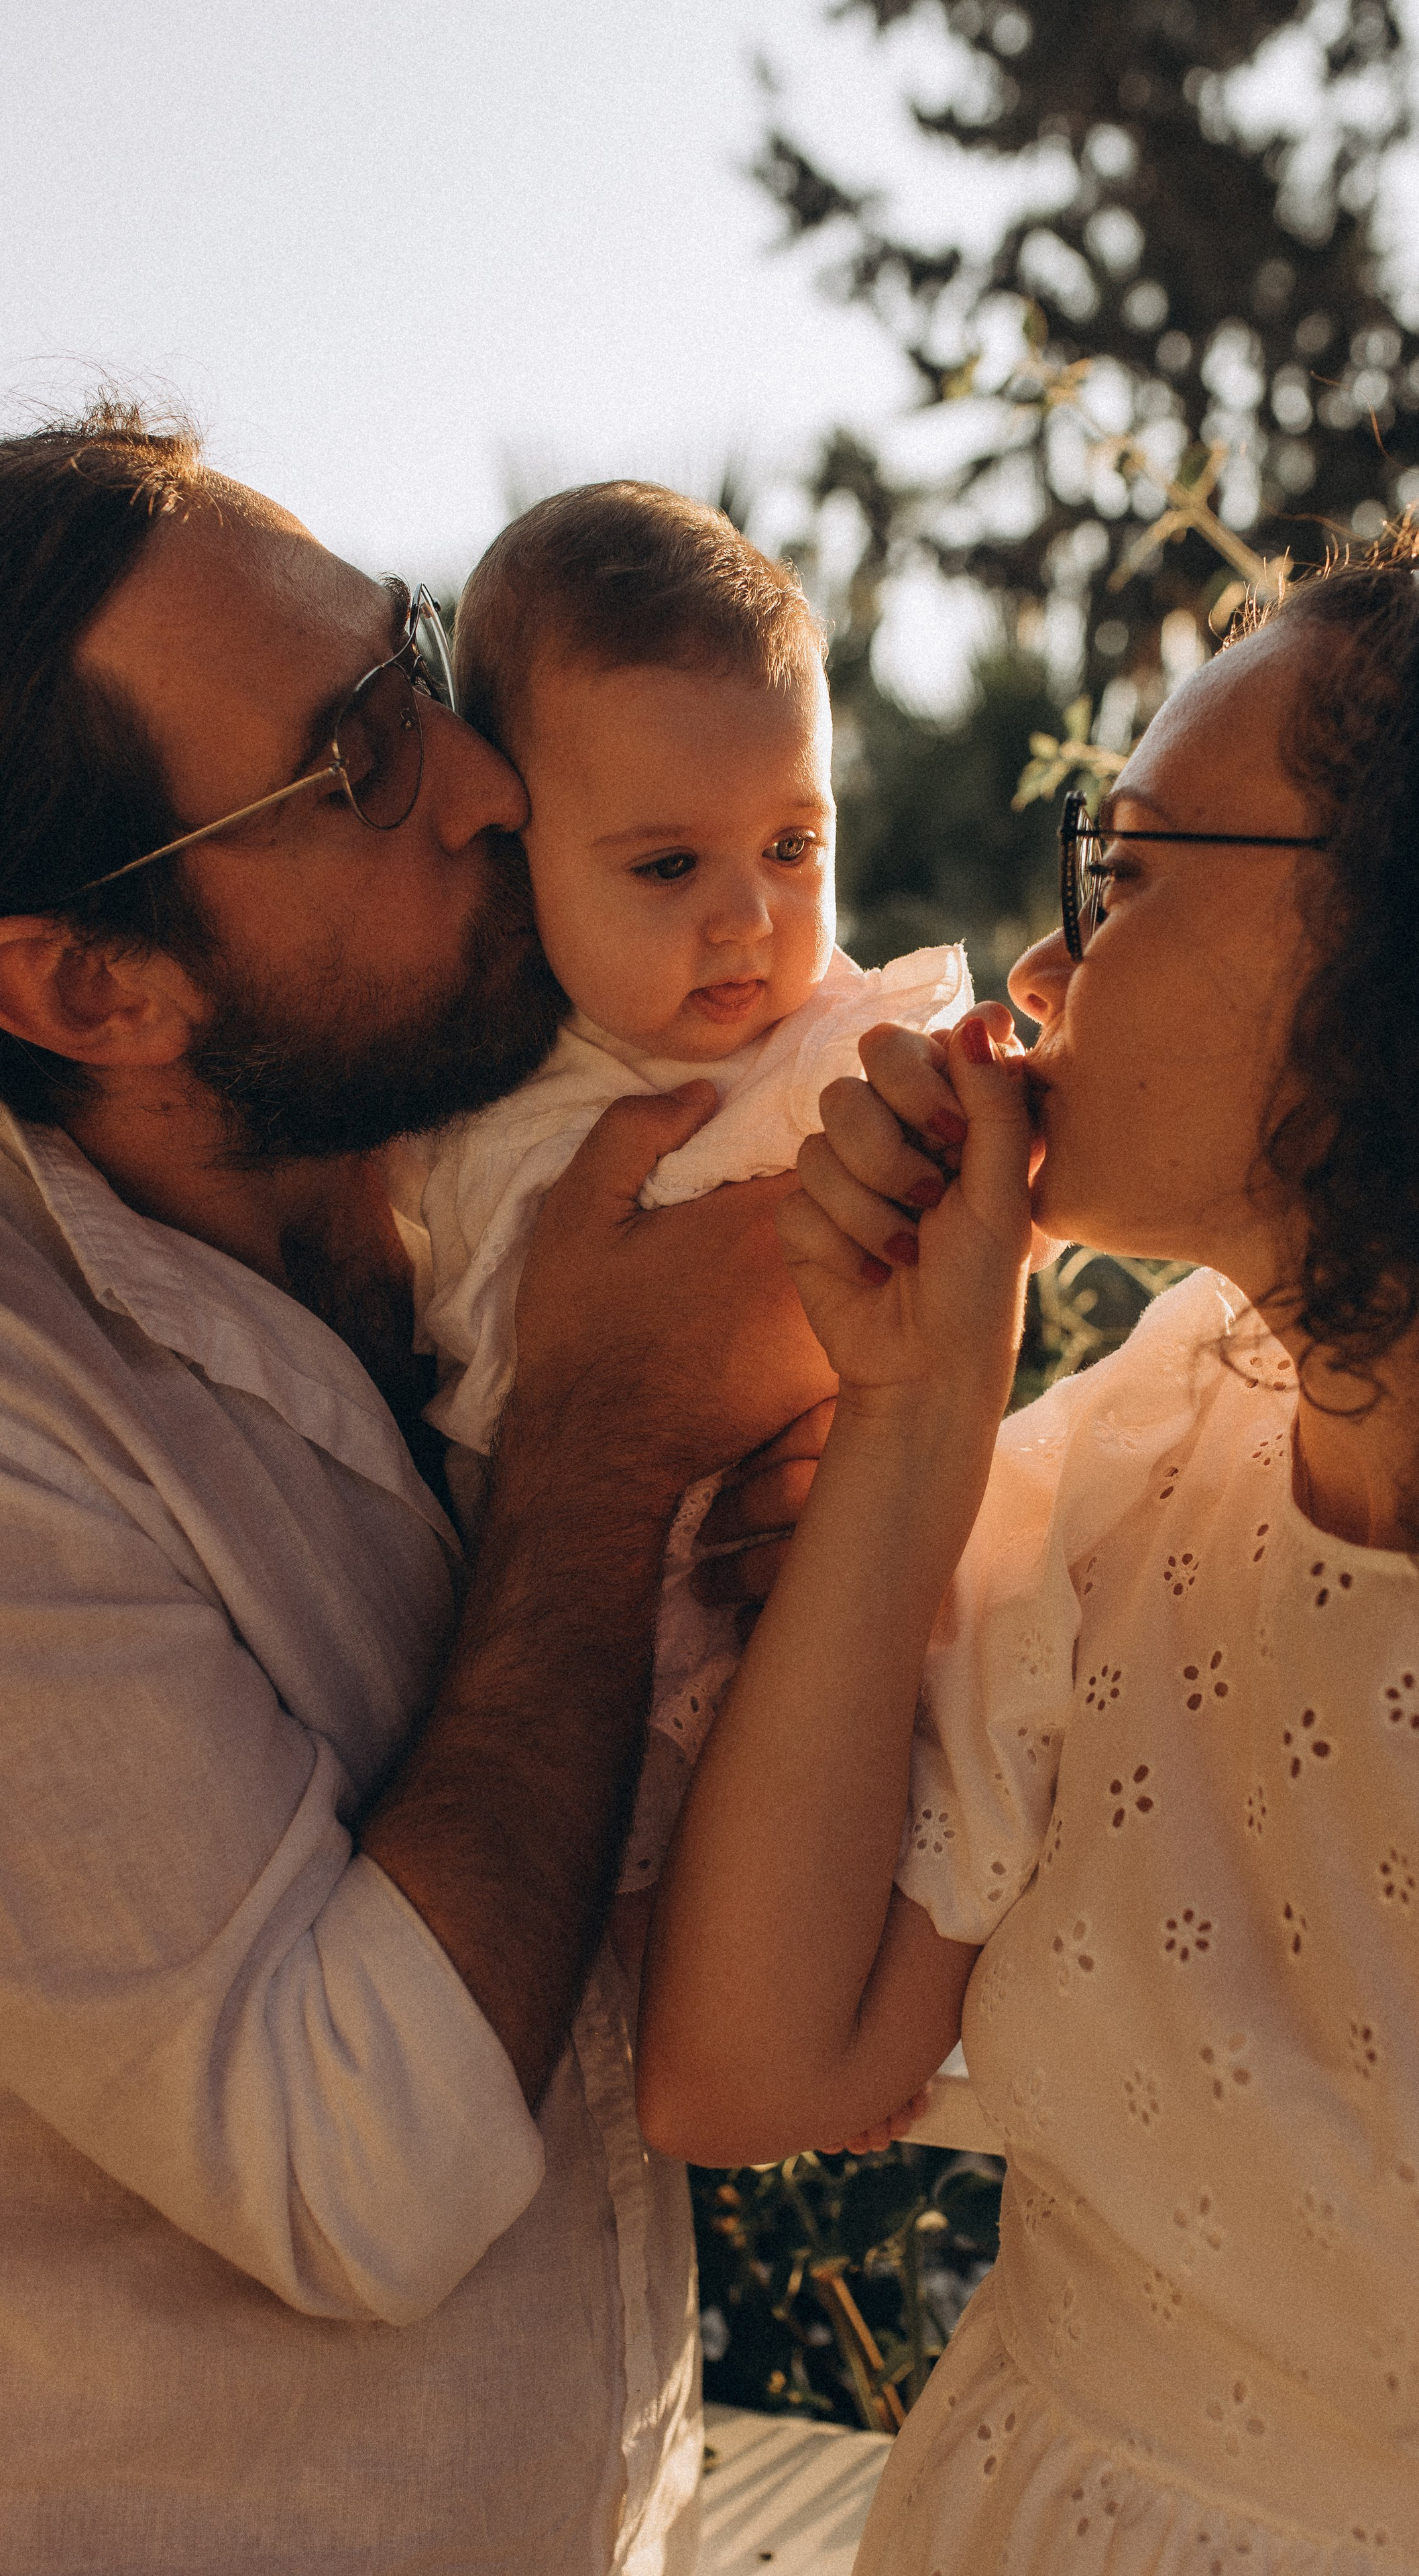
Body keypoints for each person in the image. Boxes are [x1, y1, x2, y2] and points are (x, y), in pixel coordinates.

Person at [639, 490, 1419, 2570]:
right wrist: (921, 1400)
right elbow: (745, 2070)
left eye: (1125, 874)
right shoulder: (1165, 1435)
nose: (1047, 959)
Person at [0, 404, 835, 2575]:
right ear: (94, 982)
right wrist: (604, 1454)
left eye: (418, 670)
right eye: (356, 763)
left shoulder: (543, 1163)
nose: (486, 779)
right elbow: (352, 2167)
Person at [418, 480, 970, 1894]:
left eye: (793, 847)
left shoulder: (840, 1047)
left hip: (794, 1620)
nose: (749, 918)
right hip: (541, 1652)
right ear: (510, 849)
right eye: (666, 866)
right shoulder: (463, 1094)